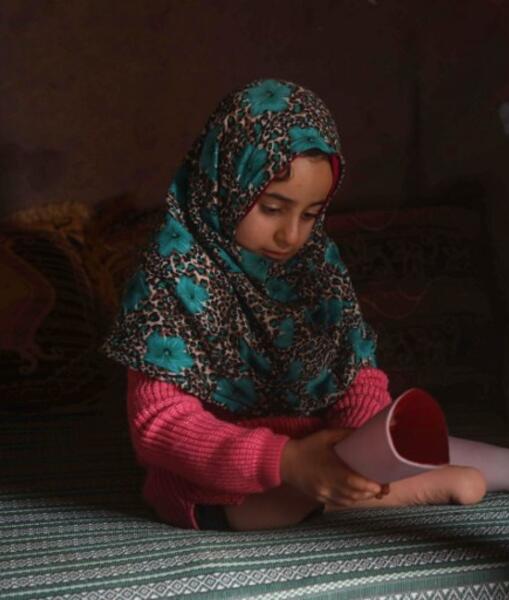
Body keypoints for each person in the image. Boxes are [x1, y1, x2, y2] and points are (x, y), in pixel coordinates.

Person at [101, 79, 486, 531]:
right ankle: (381, 495)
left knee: (394, 439)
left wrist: (363, 445)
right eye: (272, 208)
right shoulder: (169, 275)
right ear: (225, 183)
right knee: (252, 505)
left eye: (310, 214)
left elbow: (354, 372)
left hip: (320, 450)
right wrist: (287, 461)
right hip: (217, 472)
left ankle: (367, 487)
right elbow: (159, 426)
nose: (291, 236)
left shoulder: (315, 267)